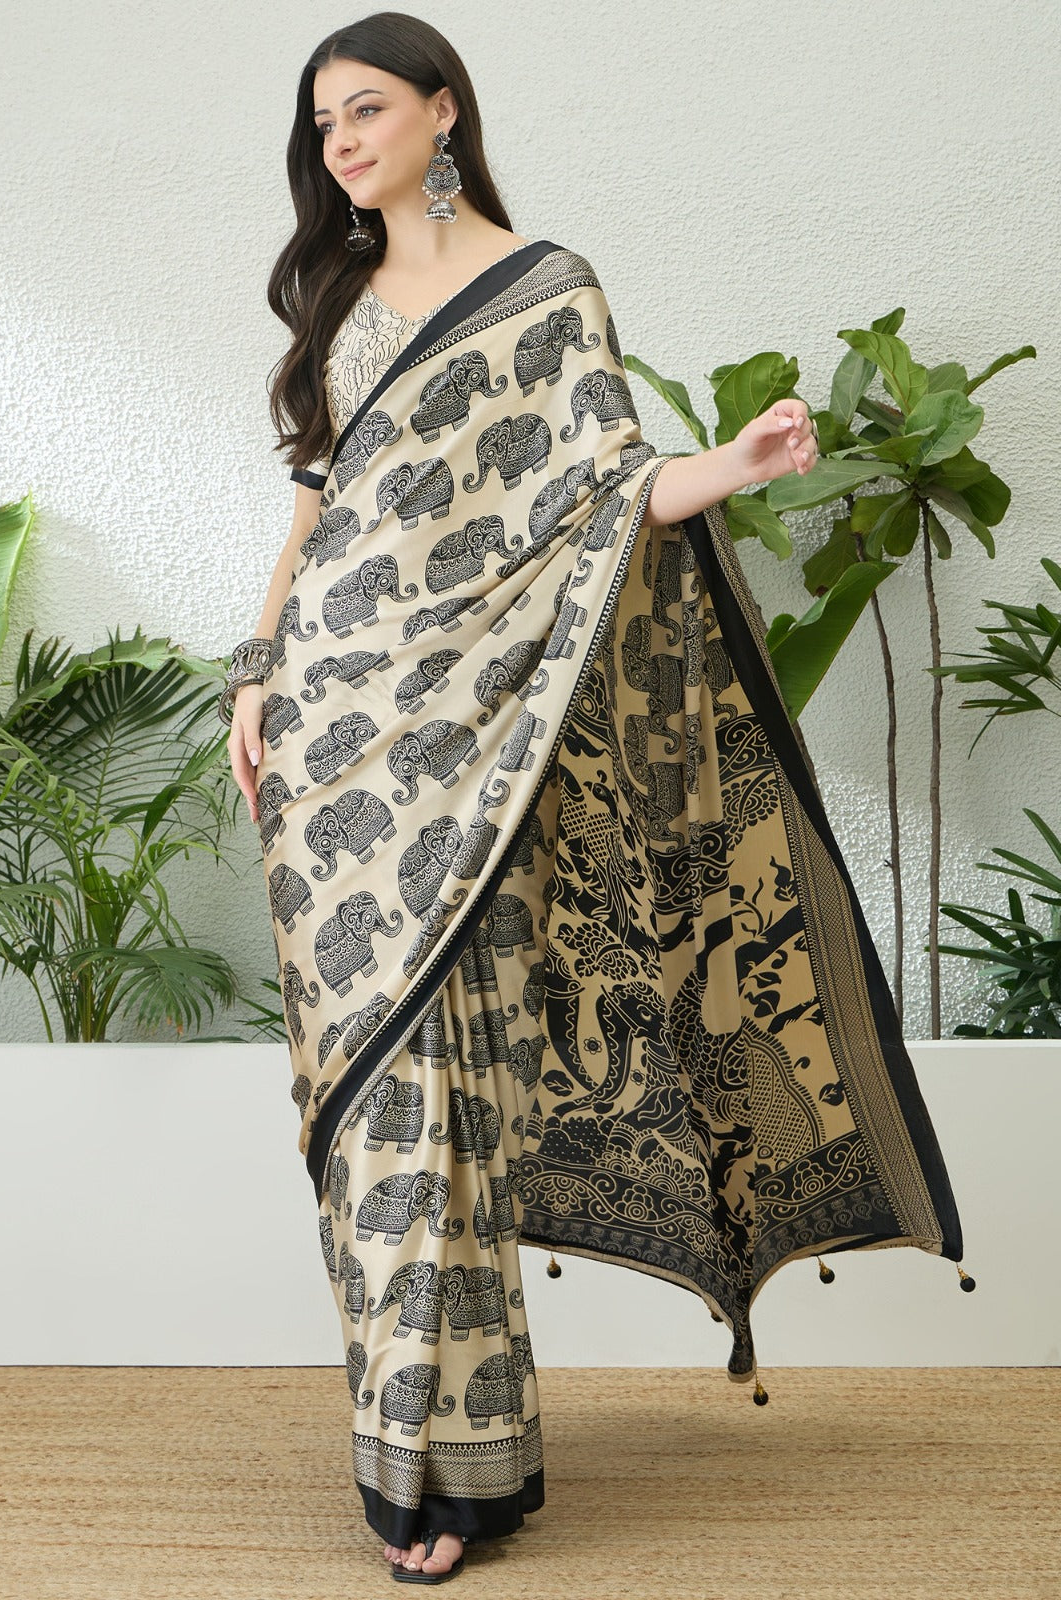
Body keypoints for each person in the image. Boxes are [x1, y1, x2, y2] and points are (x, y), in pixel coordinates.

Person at [221, 12, 966, 1585]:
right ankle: (403, 1443)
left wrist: (743, 465)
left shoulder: (548, 291)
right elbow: (315, 512)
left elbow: (611, 487)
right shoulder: (332, 293)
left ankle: (454, 1462)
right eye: (323, 126)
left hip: (475, 739)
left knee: (448, 1092)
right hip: (331, 729)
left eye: (367, 111)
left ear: (443, 111)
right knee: (356, 1105)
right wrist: (254, 675)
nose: (343, 144)